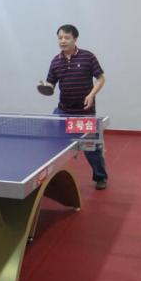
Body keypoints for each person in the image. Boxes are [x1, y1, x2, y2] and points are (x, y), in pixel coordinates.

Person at [40, 24, 108, 190]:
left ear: (75, 39)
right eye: (60, 38)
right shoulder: (55, 61)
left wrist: (91, 95)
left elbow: (101, 78)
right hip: (63, 112)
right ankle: (51, 179)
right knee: (51, 145)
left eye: (66, 37)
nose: (62, 41)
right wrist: (45, 87)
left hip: (84, 113)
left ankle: (100, 177)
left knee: (92, 150)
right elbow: (51, 84)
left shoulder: (87, 57)